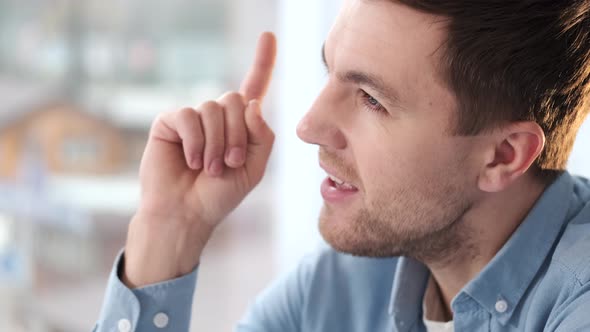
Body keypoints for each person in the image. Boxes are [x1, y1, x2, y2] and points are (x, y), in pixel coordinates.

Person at [94, 0, 590, 331]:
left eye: (371, 99)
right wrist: (168, 230)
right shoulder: (340, 286)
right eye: (329, 72)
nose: (308, 126)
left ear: (502, 156)